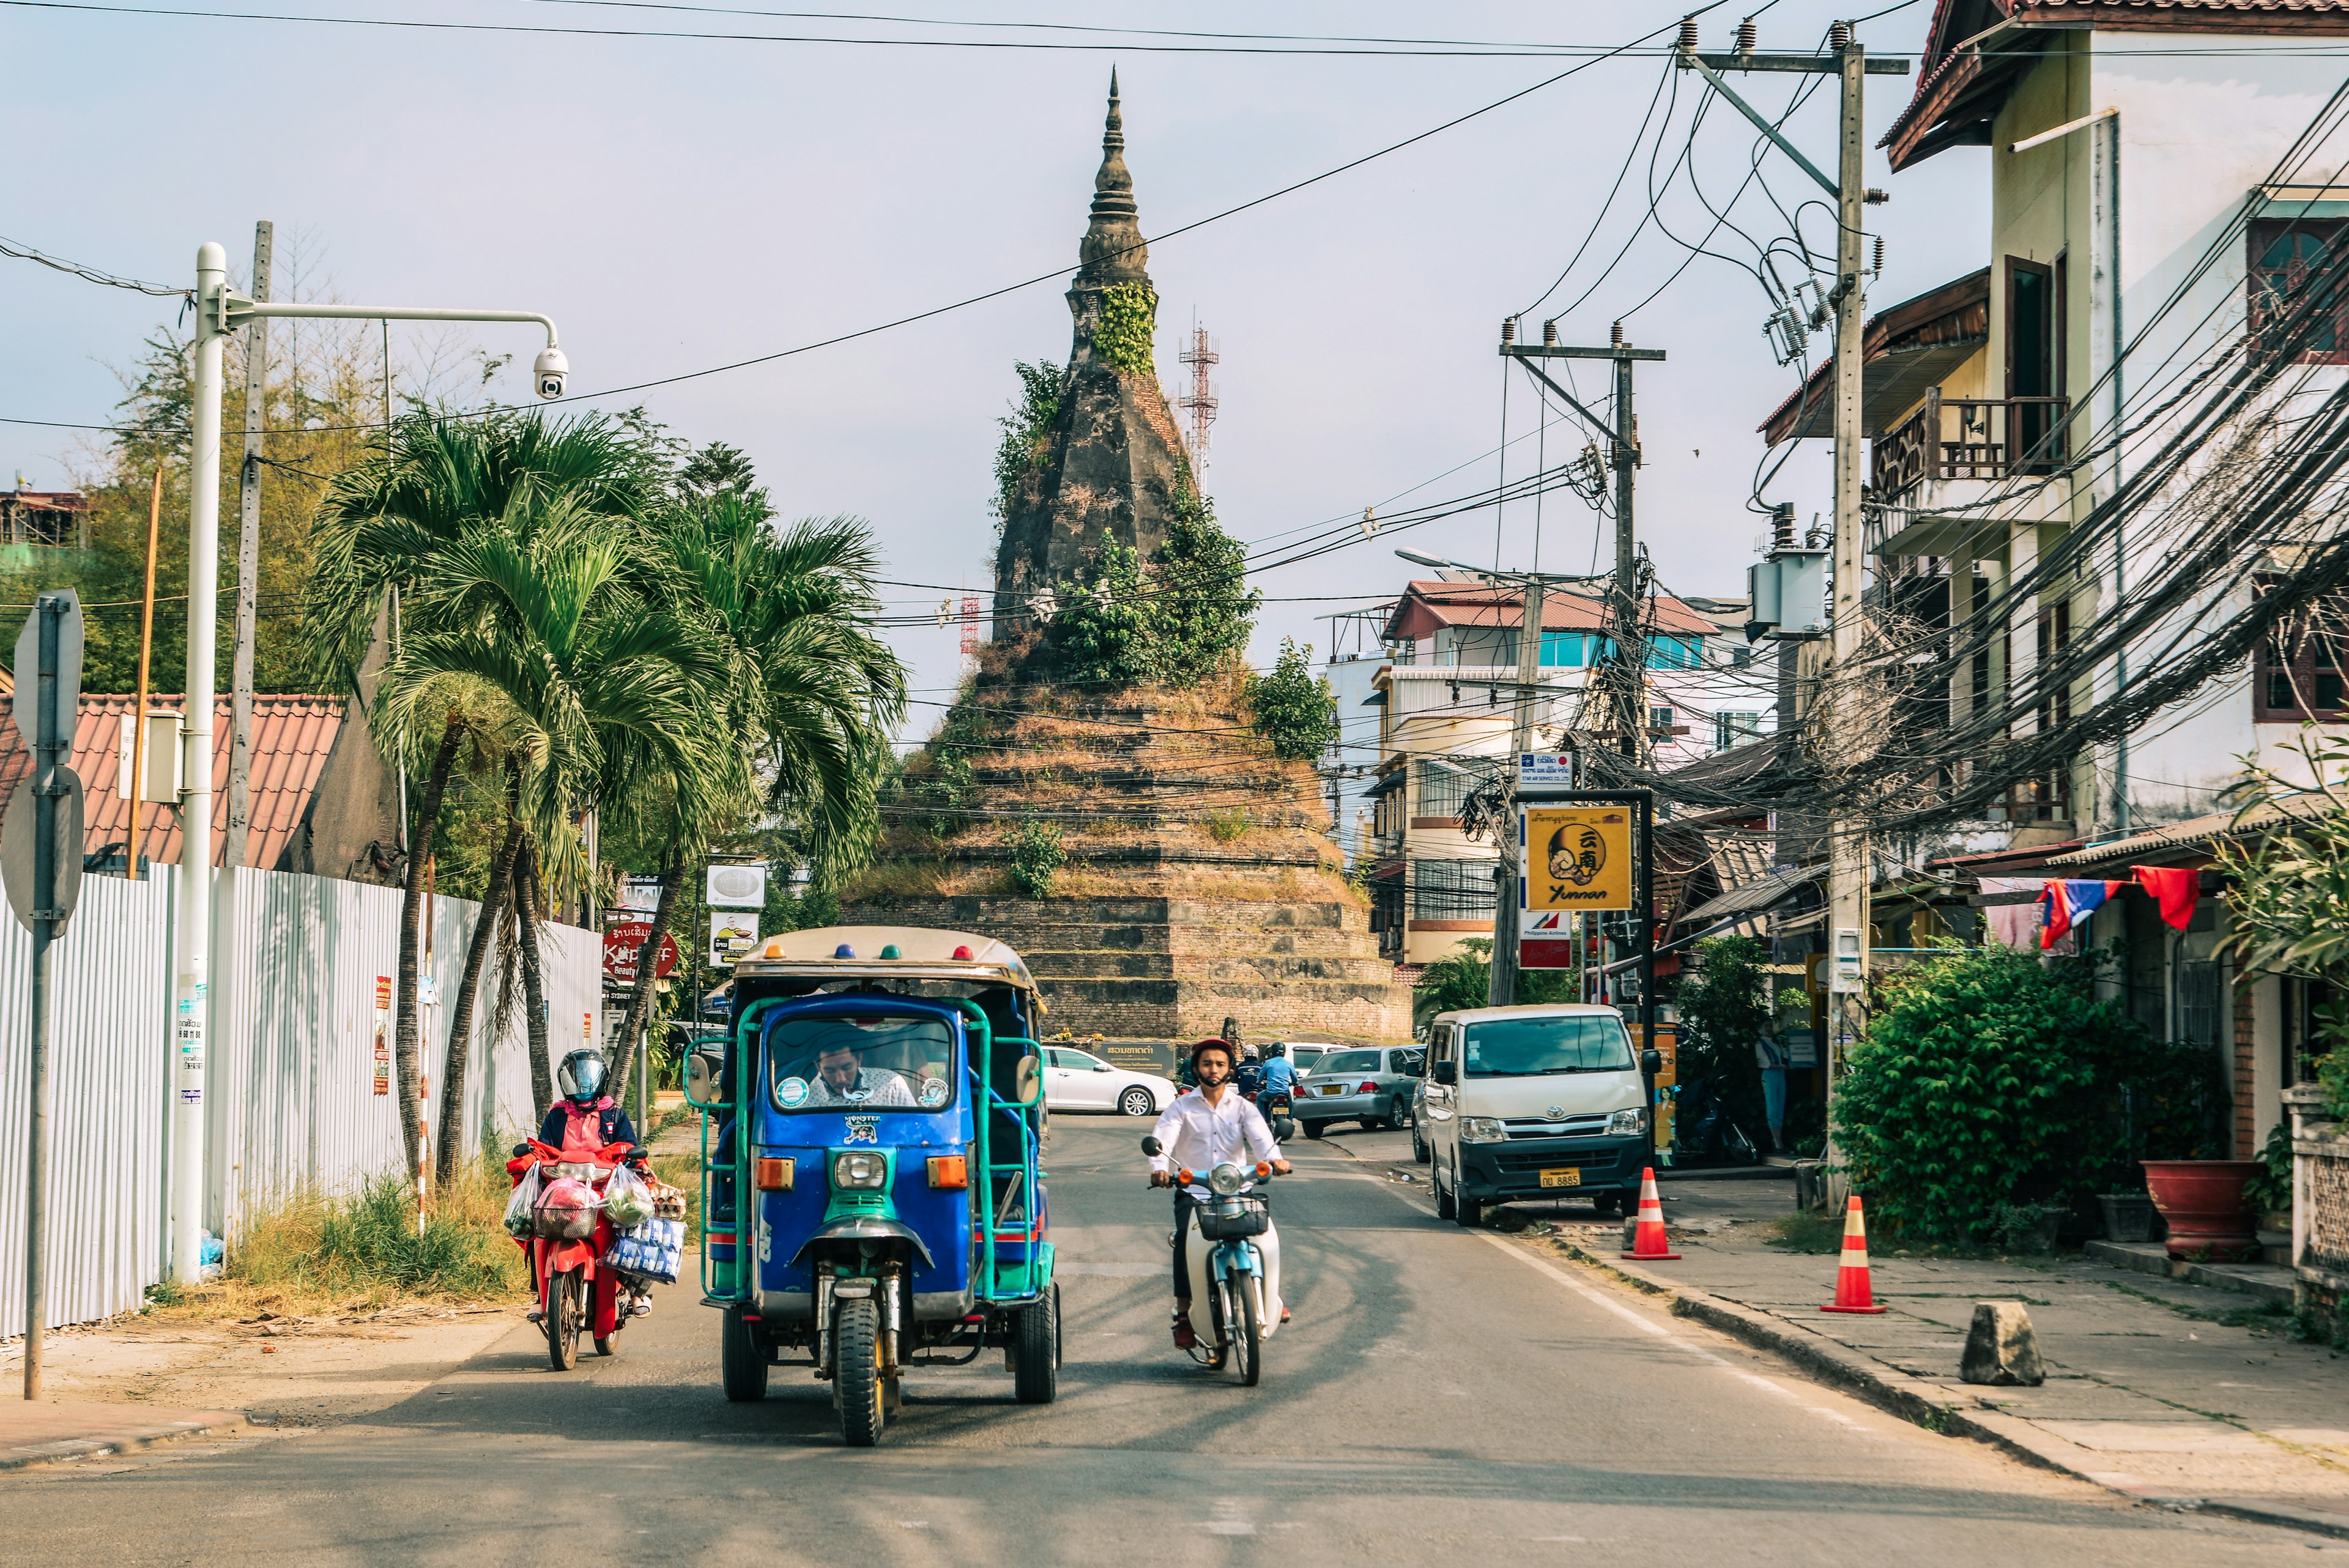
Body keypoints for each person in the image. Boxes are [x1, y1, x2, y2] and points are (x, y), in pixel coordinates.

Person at [1149, 1038, 1291, 1348]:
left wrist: (1274, 1160)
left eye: (1220, 1064)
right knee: (1185, 1242)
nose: (1214, 1070)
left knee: (1263, 1235)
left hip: (1238, 1189)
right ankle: (1185, 1315)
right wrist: (1160, 1167)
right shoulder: (1180, 1108)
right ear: (1197, 1068)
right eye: (1207, 1063)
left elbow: (1262, 1140)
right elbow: (1164, 1139)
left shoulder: (1244, 1107)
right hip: (1195, 1192)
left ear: (1229, 1069)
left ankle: (1271, 1297)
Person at [538, 1049, 639, 1153]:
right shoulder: (557, 1116)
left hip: (606, 1169)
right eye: (578, 1079)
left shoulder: (615, 1115)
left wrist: (639, 1164)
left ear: (602, 1079)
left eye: (587, 1079)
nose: (583, 1085)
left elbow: (629, 1149)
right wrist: (529, 1158)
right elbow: (543, 1150)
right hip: (564, 1170)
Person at [806, 1042, 917, 1107]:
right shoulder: (810, 1099)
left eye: (847, 1067)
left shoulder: (890, 1084)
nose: (841, 1079)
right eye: (830, 1071)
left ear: (859, 1059)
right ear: (818, 1067)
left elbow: (915, 1125)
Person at [1755, 1031, 1789, 1154]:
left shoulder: (1777, 1042)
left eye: (1770, 1026)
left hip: (1780, 1075)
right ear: (1761, 1028)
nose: (1769, 1028)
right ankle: (1777, 1141)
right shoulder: (1760, 1043)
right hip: (1770, 1075)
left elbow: (1785, 1056)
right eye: (1766, 1026)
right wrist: (1782, 1067)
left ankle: (1779, 1139)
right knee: (1773, 1107)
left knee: (1780, 1106)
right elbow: (1766, 1063)